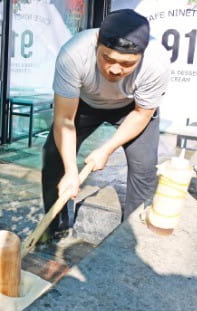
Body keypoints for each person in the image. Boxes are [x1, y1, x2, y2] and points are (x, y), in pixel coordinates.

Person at [42, 9, 170, 238]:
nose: (114, 69)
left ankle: (130, 235)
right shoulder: (74, 53)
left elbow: (142, 114)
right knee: (54, 156)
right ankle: (56, 227)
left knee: (144, 166)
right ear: (96, 42)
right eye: (107, 58)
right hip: (85, 104)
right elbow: (64, 120)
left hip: (132, 107)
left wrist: (106, 149)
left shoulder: (156, 62)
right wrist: (72, 171)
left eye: (126, 64)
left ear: (142, 55)